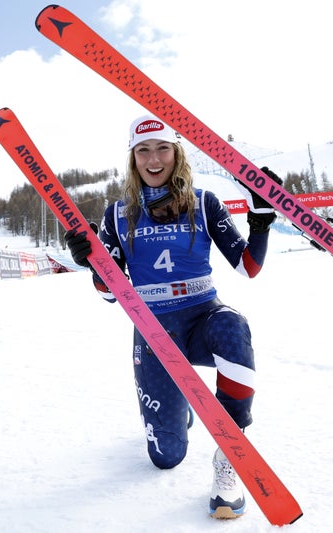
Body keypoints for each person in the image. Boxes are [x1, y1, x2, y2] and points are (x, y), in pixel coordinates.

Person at [64, 114, 281, 520]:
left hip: (203, 318)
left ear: (177, 152)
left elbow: (248, 266)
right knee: (166, 457)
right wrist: (93, 262)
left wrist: (262, 221)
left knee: (234, 326)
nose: (153, 159)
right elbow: (109, 293)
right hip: (154, 332)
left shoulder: (203, 202)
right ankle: (177, 414)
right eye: (142, 150)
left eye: (162, 148)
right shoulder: (117, 214)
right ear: (132, 158)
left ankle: (229, 456)